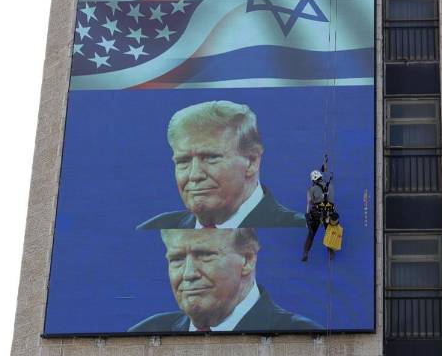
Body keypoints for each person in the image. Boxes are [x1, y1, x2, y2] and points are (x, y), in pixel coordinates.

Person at [137, 101, 304, 229]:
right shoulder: (154, 228)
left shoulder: (299, 229)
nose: (194, 175)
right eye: (183, 161)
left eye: (210, 157)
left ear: (251, 161)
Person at [129, 229, 322, 333]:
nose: (188, 274)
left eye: (204, 255)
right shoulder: (145, 332)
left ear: (247, 259)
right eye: (177, 259)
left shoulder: (301, 334)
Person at [301, 159, 337, 262]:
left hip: (316, 213)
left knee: (311, 234)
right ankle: (331, 252)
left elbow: (309, 203)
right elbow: (332, 201)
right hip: (328, 213)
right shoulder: (330, 186)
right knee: (328, 232)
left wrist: (308, 215)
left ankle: (305, 253)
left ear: (313, 180)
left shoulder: (311, 189)